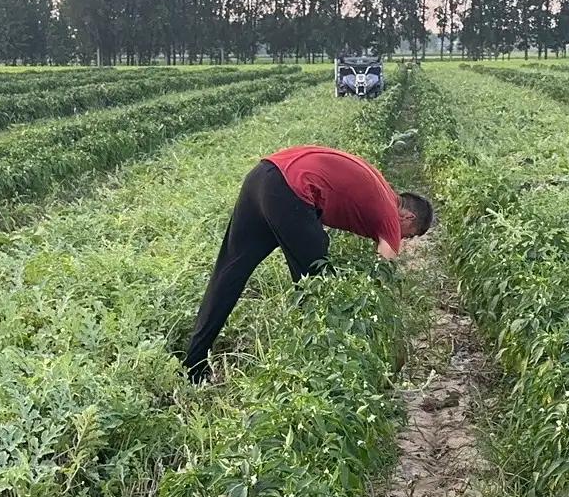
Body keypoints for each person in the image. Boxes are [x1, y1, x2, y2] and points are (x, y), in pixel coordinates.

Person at [181, 145, 432, 381]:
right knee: (318, 285)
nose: (402, 239)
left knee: (230, 272)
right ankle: (318, 367)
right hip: (289, 190)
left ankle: (193, 365)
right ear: (408, 216)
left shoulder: (380, 188)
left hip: (264, 174)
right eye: (408, 234)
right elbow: (382, 272)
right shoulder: (389, 213)